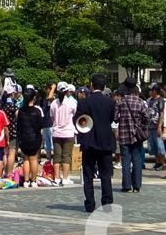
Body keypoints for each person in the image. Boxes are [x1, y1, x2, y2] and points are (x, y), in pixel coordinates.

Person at [75, 73, 116, 213]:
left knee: (88, 174)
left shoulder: (84, 102)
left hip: (89, 141)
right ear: (104, 86)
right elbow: (111, 119)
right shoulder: (110, 102)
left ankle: (90, 204)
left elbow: (78, 121)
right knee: (105, 174)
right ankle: (107, 203)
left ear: (91, 84)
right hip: (106, 140)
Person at [114, 77, 149, 193]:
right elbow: (147, 117)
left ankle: (127, 186)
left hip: (124, 135)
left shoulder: (121, 102)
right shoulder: (140, 102)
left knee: (126, 161)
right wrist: (142, 126)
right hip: (137, 136)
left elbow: (115, 118)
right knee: (137, 159)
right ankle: (137, 185)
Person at [50, 82, 77, 186]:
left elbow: (52, 117)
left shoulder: (54, 103)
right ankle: (65, 178)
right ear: (67, 91)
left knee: (56, 156)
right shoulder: (72, 103)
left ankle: (57, 178)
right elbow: (74, 115)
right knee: (67, 156)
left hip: (56, 132)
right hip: (68, 132)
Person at [16, 87, 44, 188]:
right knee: (34, 159)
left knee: (26, 159)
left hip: (24, 137)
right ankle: (34, 180)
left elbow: (18, 126)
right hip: (34, 137)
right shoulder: (37, 111)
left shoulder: (20, 111)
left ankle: (26, 180)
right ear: (34, 98)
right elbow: (40, 125)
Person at [145, 83, 166, 171]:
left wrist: (159, 126)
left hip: (157, 125)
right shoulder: (149, 100)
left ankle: (162, 163)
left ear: (155, 91)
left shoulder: (160, 100)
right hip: (150, 126)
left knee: (159, 145)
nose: (149, 92)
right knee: (152, 146)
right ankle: (157, 162)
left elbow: (162, 114)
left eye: (151, 90)